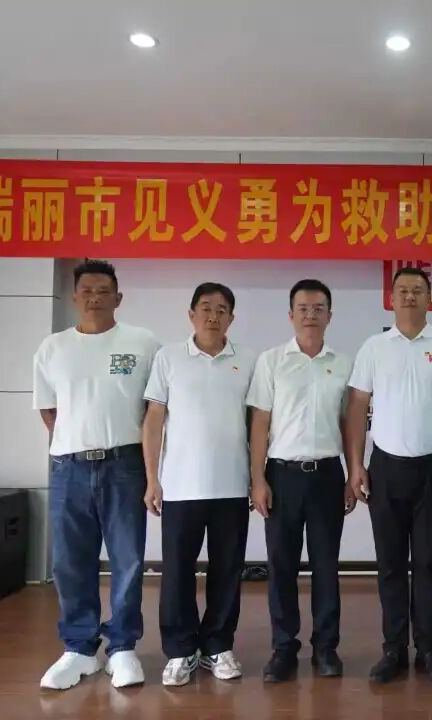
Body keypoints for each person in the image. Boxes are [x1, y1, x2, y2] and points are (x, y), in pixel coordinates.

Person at [346, 266, 432, 686]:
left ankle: (428, 649)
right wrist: (356, 465)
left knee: (427, 563)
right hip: (385, 469)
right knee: (389, 564)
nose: (409, 296)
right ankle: (393, 649)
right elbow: (357, 407)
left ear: (429, 298)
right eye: (402, 290)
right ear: (391, 298)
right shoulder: (374, 347)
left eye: (417, 290)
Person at [34, 259, 160, 690]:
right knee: (70, 561)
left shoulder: (143, 343)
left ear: (118, 298)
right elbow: (48, 410)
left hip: (124, 463)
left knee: (128, 559)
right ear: (75, 297)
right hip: (68, 466)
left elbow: (155, 410)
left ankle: (122, 646)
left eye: (103, 291)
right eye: (86, 290)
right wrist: (77, 442)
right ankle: (79, 648)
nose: (94, 298)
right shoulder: (52, 348)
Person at [142, 282, 256, 686]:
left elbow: (257, 425)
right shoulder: (169, 358)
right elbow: (153, 421)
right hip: (180, 486)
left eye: (222, 309)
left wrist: (257, 477)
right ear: (191, 314)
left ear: (232, 318)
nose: (213, 315)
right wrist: (152, 478)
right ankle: (179, 650)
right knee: (177, 572)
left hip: (232, 485)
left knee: (228, 570)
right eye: (206, 308)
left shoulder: (249, 361)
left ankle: (217, 647)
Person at [247, 279, 356, 683]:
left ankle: (326, 648)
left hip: (327, 474)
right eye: (303, 308)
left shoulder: (343, 364)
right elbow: (260, 424)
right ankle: (283, 647)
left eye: (318, 308)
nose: (311, 315)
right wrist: (258, 479)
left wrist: (353, 473)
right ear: (291, 315)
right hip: (282, 475)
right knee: (282, 566)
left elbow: (349, 424)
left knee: (326, 565)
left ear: (330, 315)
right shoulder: (272, 361)